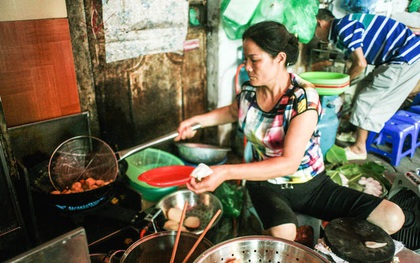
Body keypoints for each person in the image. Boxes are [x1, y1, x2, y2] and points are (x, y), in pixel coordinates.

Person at [175, 21, 405, 241]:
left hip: (312, 184)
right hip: (265, 182)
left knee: (392, 217)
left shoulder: (303, 97)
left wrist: (224, 172)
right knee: (283, 236)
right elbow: (234, 111)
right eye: (246, 59)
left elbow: (289, 163)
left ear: (280, 58)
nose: (247, 66)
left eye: (254, 59)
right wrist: (196, 122)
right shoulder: (249, 91)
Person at [315, 9, 420, 160]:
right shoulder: (341, 31)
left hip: (406, 58)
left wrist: (343, 85)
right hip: (399, 57)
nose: (316, 37)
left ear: (320, 23)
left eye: (314, 32)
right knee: (363, 86)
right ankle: (356, 134)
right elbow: (353, 61)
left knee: (367, 99)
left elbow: (360, 63)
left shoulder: (342, 26)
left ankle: (359, 148)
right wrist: (345, 83)